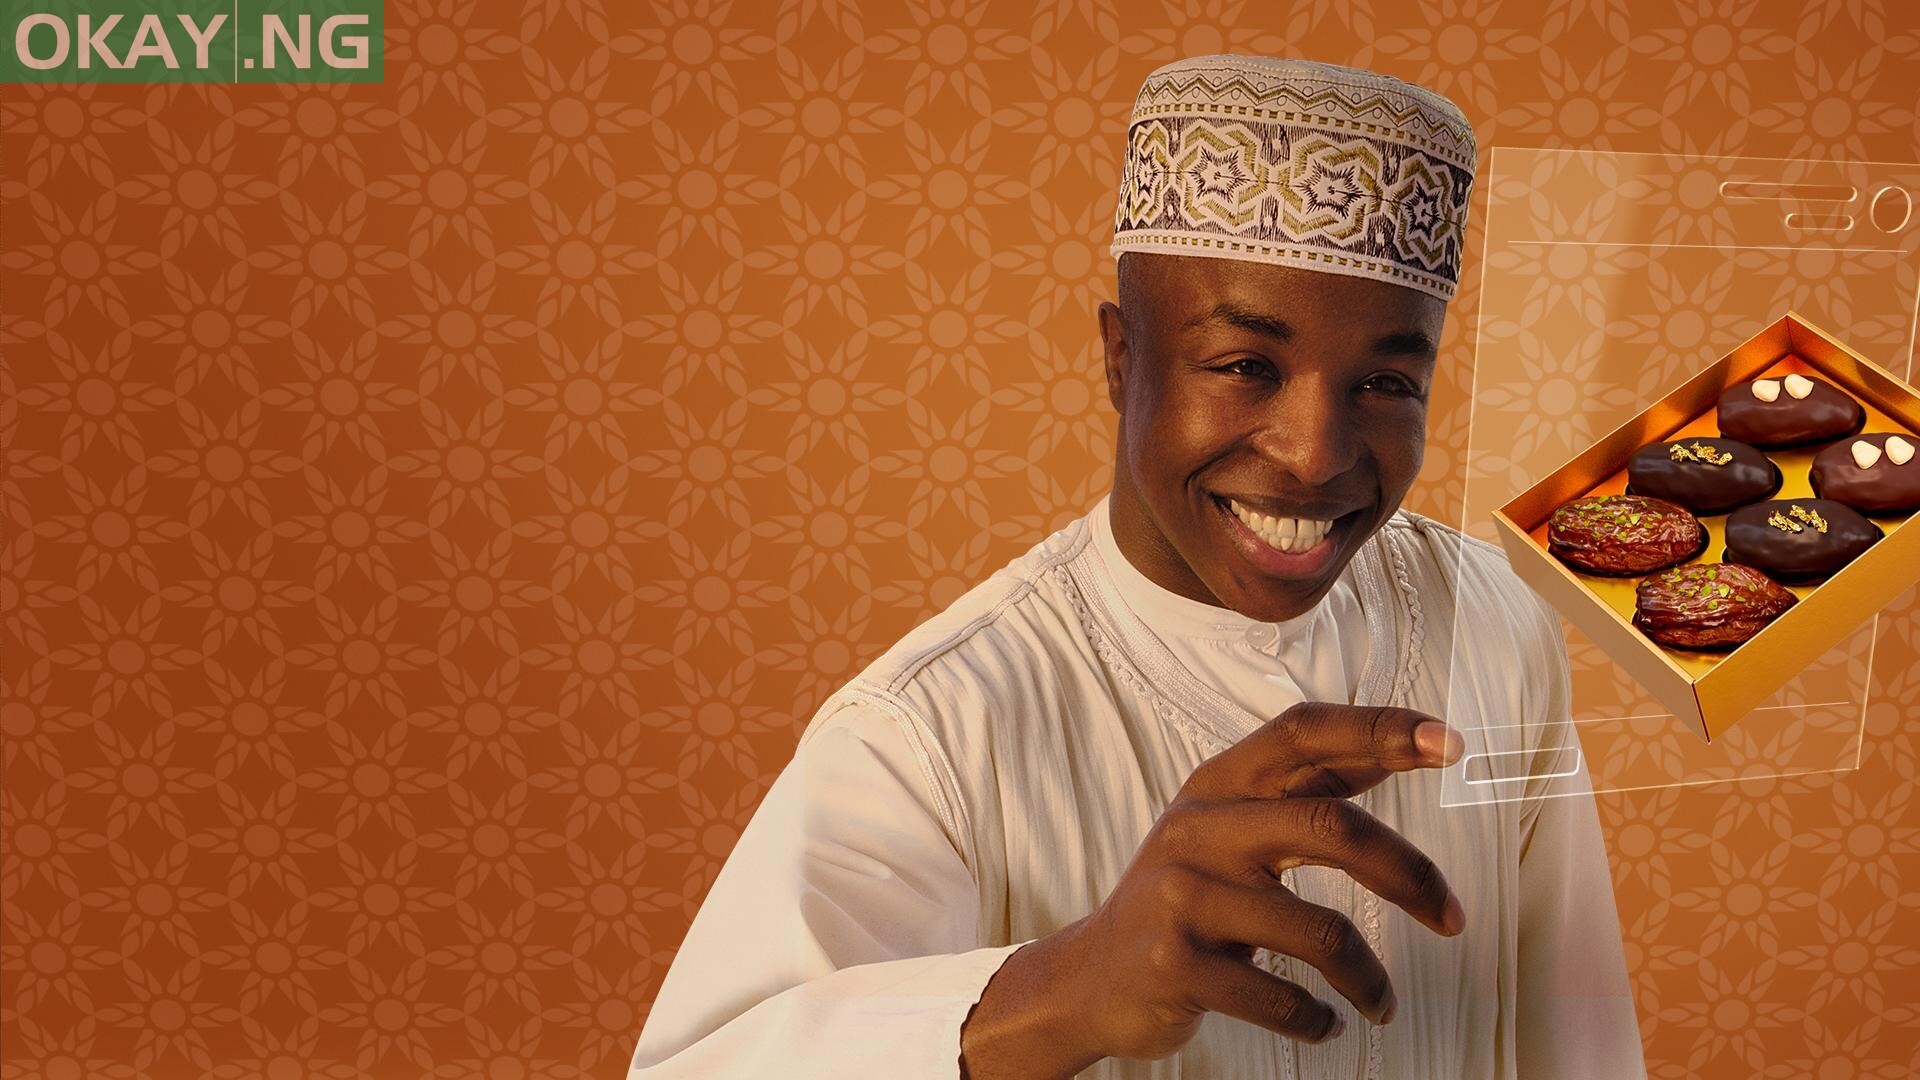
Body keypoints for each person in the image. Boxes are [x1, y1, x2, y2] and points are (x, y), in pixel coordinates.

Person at [627, 54, 1645, 1079]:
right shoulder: (929, 735)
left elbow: (1581, 1045)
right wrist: (1062, 994)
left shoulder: (1494, 620)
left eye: (1385, 382)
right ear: (1121, 358)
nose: (1315, 454)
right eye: (1246, 366)